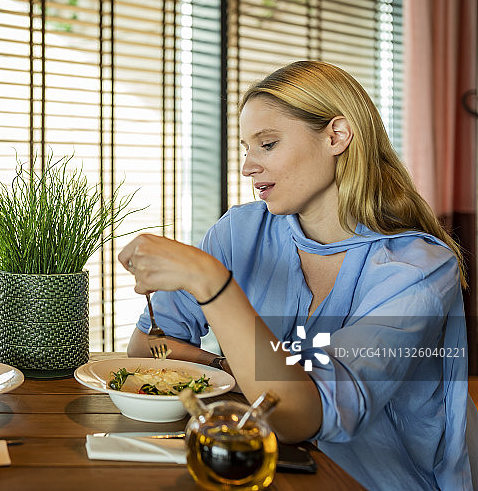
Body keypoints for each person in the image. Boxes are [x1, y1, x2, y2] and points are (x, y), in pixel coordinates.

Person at [119, 60, 475, 490]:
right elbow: (147, 350)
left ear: (336, 136)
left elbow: (301, 418)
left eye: (267, 144)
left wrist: (214, 285)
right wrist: (223, 362)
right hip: (254, 467)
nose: (249, 166)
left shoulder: (417, 269)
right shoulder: (240, 231)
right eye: (246, 148)